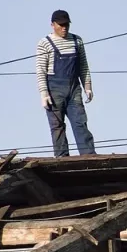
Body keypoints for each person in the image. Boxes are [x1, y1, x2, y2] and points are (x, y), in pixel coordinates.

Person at [36, 10, 97, 157]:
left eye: (66, 25)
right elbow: (40, 71)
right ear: (53, 25)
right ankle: (62, 158)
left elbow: (83, 66)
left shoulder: (77, 41)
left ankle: (89, 156)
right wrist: (44, 94)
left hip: (74, 88)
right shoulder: (44, 43)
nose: (64, 28)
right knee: (57, 126)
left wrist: (87, 86)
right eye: (61, 25)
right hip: (54, 90)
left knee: (80, 122)